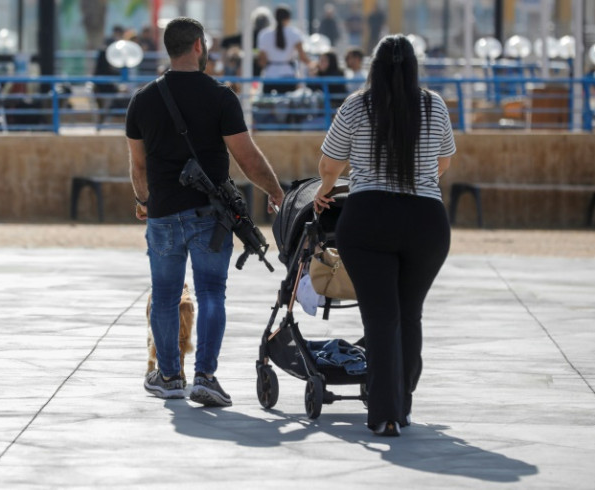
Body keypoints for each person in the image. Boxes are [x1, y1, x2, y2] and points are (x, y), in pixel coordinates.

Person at [126, 17, 285, 406]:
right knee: (212, 292)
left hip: (162, 213)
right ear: (198, 45)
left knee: (164, 296)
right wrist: (276, 191)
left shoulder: (143, 99)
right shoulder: (220, 96)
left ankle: (168, 377)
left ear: (169, 47)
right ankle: (205, 378)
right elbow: (246, 157)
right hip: (210, 215)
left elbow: (138, 165)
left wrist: (145, 200)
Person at [313, 35, 455, 436]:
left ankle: (385, 413)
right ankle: (402, 401)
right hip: (426, 221)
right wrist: (419, 182)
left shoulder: (357, 105)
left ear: (373, 66)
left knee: (380, 316)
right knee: (409, 313)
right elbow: (443, 161)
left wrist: (324, 193)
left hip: (369, 217)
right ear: (414, 67)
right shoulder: (434, 105)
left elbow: (329, 164)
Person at [257, 5, 312, 94]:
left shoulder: (264, 34)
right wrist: (312, 64)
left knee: (268, 106)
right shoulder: (295, 34)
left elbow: (262, 61)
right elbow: (302, 57)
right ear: (288, 18)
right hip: (288, 76)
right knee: (288, 106)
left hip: (269, 76)